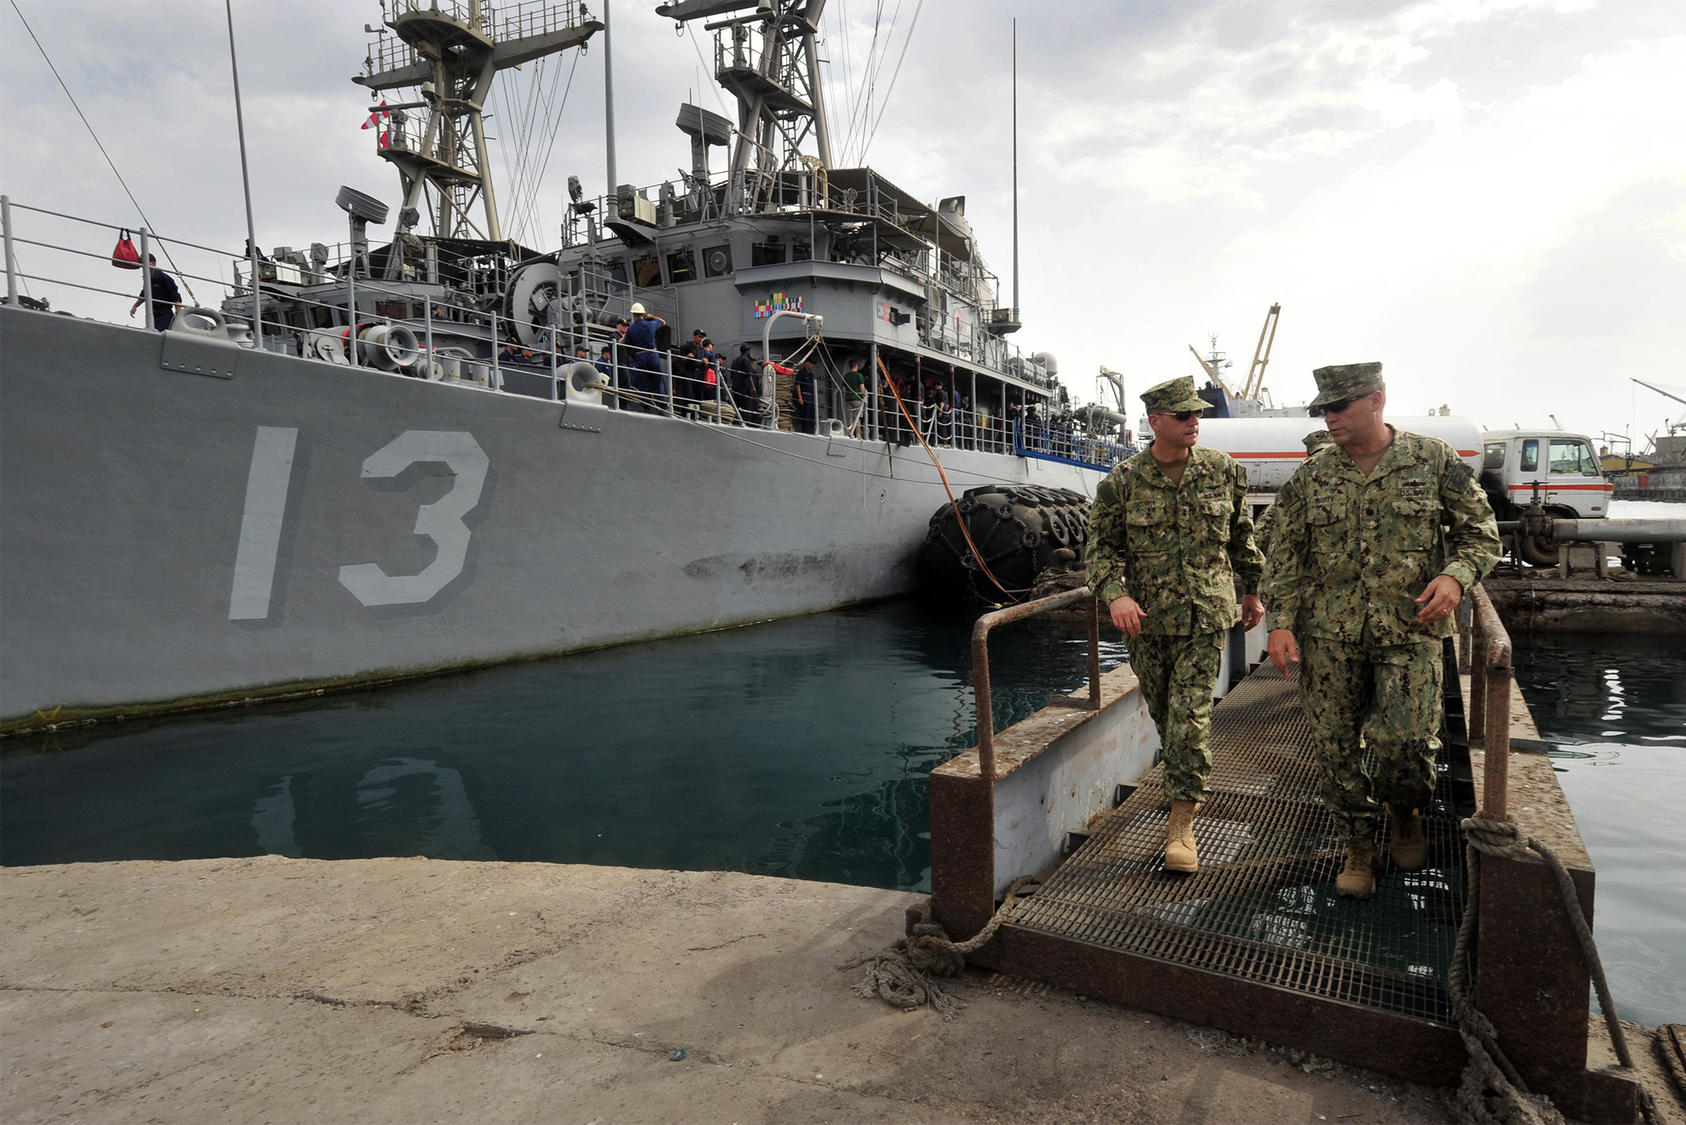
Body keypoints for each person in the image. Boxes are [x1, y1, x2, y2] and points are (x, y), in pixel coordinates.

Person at [1263, 363, 1499, 898]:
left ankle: (1405, 809)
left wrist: (1456, 578)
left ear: (1377, 400)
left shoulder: (1432, 459)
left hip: (1409, 631)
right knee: (1334, 748)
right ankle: (1358, 846)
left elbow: (1480, 535)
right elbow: (1283, 553)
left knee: (1407, 742)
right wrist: (1279, 623)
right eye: (1324, 409)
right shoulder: (1313, 475)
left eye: (1340, 407)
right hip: (1329, 636)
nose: (1330, 417)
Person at [1085, 375, 1265, 874]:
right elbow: (1098, 551)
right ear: (1155, 421)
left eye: (1197, 415)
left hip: (1207, 616)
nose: (1194, 423)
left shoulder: (1224, 472)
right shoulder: (1121, 482)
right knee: (1166, 713)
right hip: (1147, 623)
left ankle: (1181, 820)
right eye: (1184, 416)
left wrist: (1251, 590)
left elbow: (1241, 538)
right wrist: (1115, 594)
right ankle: (1184, 783)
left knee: (1189, 718)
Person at [623, 302, 667, 412]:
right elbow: (663, 322)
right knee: (658, 380)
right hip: (652, 355)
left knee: (643, 381)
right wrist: (651, 317)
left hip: (640, 357)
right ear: (643, 314)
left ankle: (646, 406)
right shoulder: (651, 324)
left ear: (633, 315)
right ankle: (662, 405)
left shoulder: (631, 329)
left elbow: (627, 345)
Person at [128, 255, 181, 331]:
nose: (143, 266)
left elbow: (175, 296)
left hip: (164, 313)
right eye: (142, 264)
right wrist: (135, 306)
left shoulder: (164, 278)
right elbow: (144, 293)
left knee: (161, 333)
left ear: (153, 263)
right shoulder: (148, 279)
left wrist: (178, 314)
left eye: (145, 263)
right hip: (153, 313)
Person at [675, 328, 711, 415]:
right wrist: (687, 358)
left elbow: (706, 367)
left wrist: (706, 363)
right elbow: (678, 361)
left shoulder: (703, 350)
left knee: (697, 396)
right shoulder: (686, 347)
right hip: (689, 373)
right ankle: (686, 413)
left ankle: (696, 414)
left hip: (698, 375)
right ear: (694, 336)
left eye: (702, 337)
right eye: (699, 336)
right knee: (688, 395)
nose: (700, 339)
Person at [729, 343, 763, 427]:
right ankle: (747, 424)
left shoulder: (735, 361)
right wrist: (754, 387)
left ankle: (738, 421)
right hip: (745, 388)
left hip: (736, 388)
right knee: (748, 407)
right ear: (748, 351)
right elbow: (748, 375)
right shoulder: (746, 360)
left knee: (738, 406)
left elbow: (732, 376)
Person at [794, 356, 819, 434]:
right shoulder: (801, 373)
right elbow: (798, 385)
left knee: (812, 416)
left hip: (811, 397)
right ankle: (805, 431)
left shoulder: (811, 375)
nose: (812, 365)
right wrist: (800, 398)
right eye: (811, 363)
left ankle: (811, 431)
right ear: (806, 363)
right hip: (805, 396)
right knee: (805, 416)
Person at [843, 359, 867, 437]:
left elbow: (843, 390)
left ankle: (850, 433)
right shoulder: (859, 375)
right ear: (856, 366)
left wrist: (846, 397)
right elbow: (862, 389)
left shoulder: (846, 376)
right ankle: (858, 434)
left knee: (850, 417)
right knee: (857, 418)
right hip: (857, 399)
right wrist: (865, 397)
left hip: (848, 399)